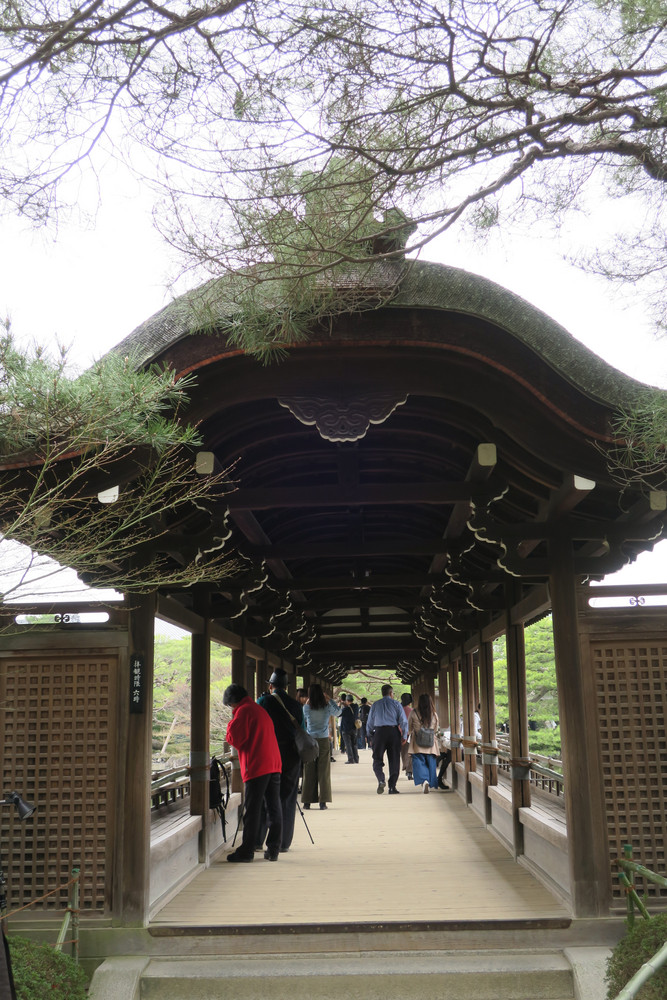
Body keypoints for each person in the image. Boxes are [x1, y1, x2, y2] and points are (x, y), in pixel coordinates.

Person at [223, 683, 283, 862]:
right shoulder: (258, 709)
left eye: (230, 705)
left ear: (233, 701)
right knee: (274, 807)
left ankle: (247, 850)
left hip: (257, 765)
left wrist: (230, 724)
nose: (231, 708)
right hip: (273, 763)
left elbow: (235, 739)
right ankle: (274, 849)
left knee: (253, 809)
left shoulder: (244, 711)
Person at [257, 668, 304, 853]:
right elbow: (302, 728)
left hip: (269, 752)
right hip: (291, 753)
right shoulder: (296, 705)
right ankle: (283, 842)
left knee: (264, 794)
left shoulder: (263, 701)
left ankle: (258, 840)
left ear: (271, 686)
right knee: (288, 796)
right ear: (286, 687)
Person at [301, 684, 342, 810]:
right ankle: (323, 802)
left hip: (310, 740)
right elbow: (339, 712)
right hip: (323, 740)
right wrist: (330, 700)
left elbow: (302, 717)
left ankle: (307, 801)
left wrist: (307, 702)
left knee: (309, 771)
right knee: (324, 771)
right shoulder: (327, 707)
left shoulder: (307, 708)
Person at [366, 684, 408, 794]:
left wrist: (370, 735)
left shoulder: (375, 705)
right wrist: (404, 736)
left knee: (377, 758)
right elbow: (403, 721)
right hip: (393, 732)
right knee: (394, 760)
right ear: (390, 693)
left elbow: (370, 722)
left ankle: (381, 779)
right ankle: (392, 787)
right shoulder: (396, 704)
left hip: (379, 732)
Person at [408, 693, 439, 793]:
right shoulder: (434, 714)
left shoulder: (413, 713)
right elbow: (436, 729)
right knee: (431, 763)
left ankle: (424, 780)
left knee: (418, 762)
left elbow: (409, 727)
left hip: (417, 742)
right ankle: (430, 781)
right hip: (430, 743)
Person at [340, 693, 360, 763]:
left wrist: (341, 706)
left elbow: (339, 714)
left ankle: (350, 759)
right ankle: (356, 759)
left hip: (346, 729)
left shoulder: (346, 709)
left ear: (347, 700)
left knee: (348, 744)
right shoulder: (356, 707)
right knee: (354, 744)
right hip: (354, 728)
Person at [400, 692, 413, 779]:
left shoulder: (399, 709)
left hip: (399, 733)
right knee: (409, 753)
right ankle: (409, 771)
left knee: (403, 752)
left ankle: (405, 765)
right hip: (409, 734)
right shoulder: (411, 711)